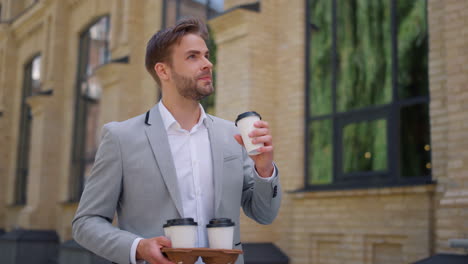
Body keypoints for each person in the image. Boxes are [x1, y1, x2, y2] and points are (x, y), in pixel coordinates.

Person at [72, 18, 282, 264]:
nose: (207, 64)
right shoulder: (121, 138)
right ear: (163, 70)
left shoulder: (231, 136)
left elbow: (264, 214)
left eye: (206, 55)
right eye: (193, 57)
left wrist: (264, 169)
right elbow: (86, 222)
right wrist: (138, 247)